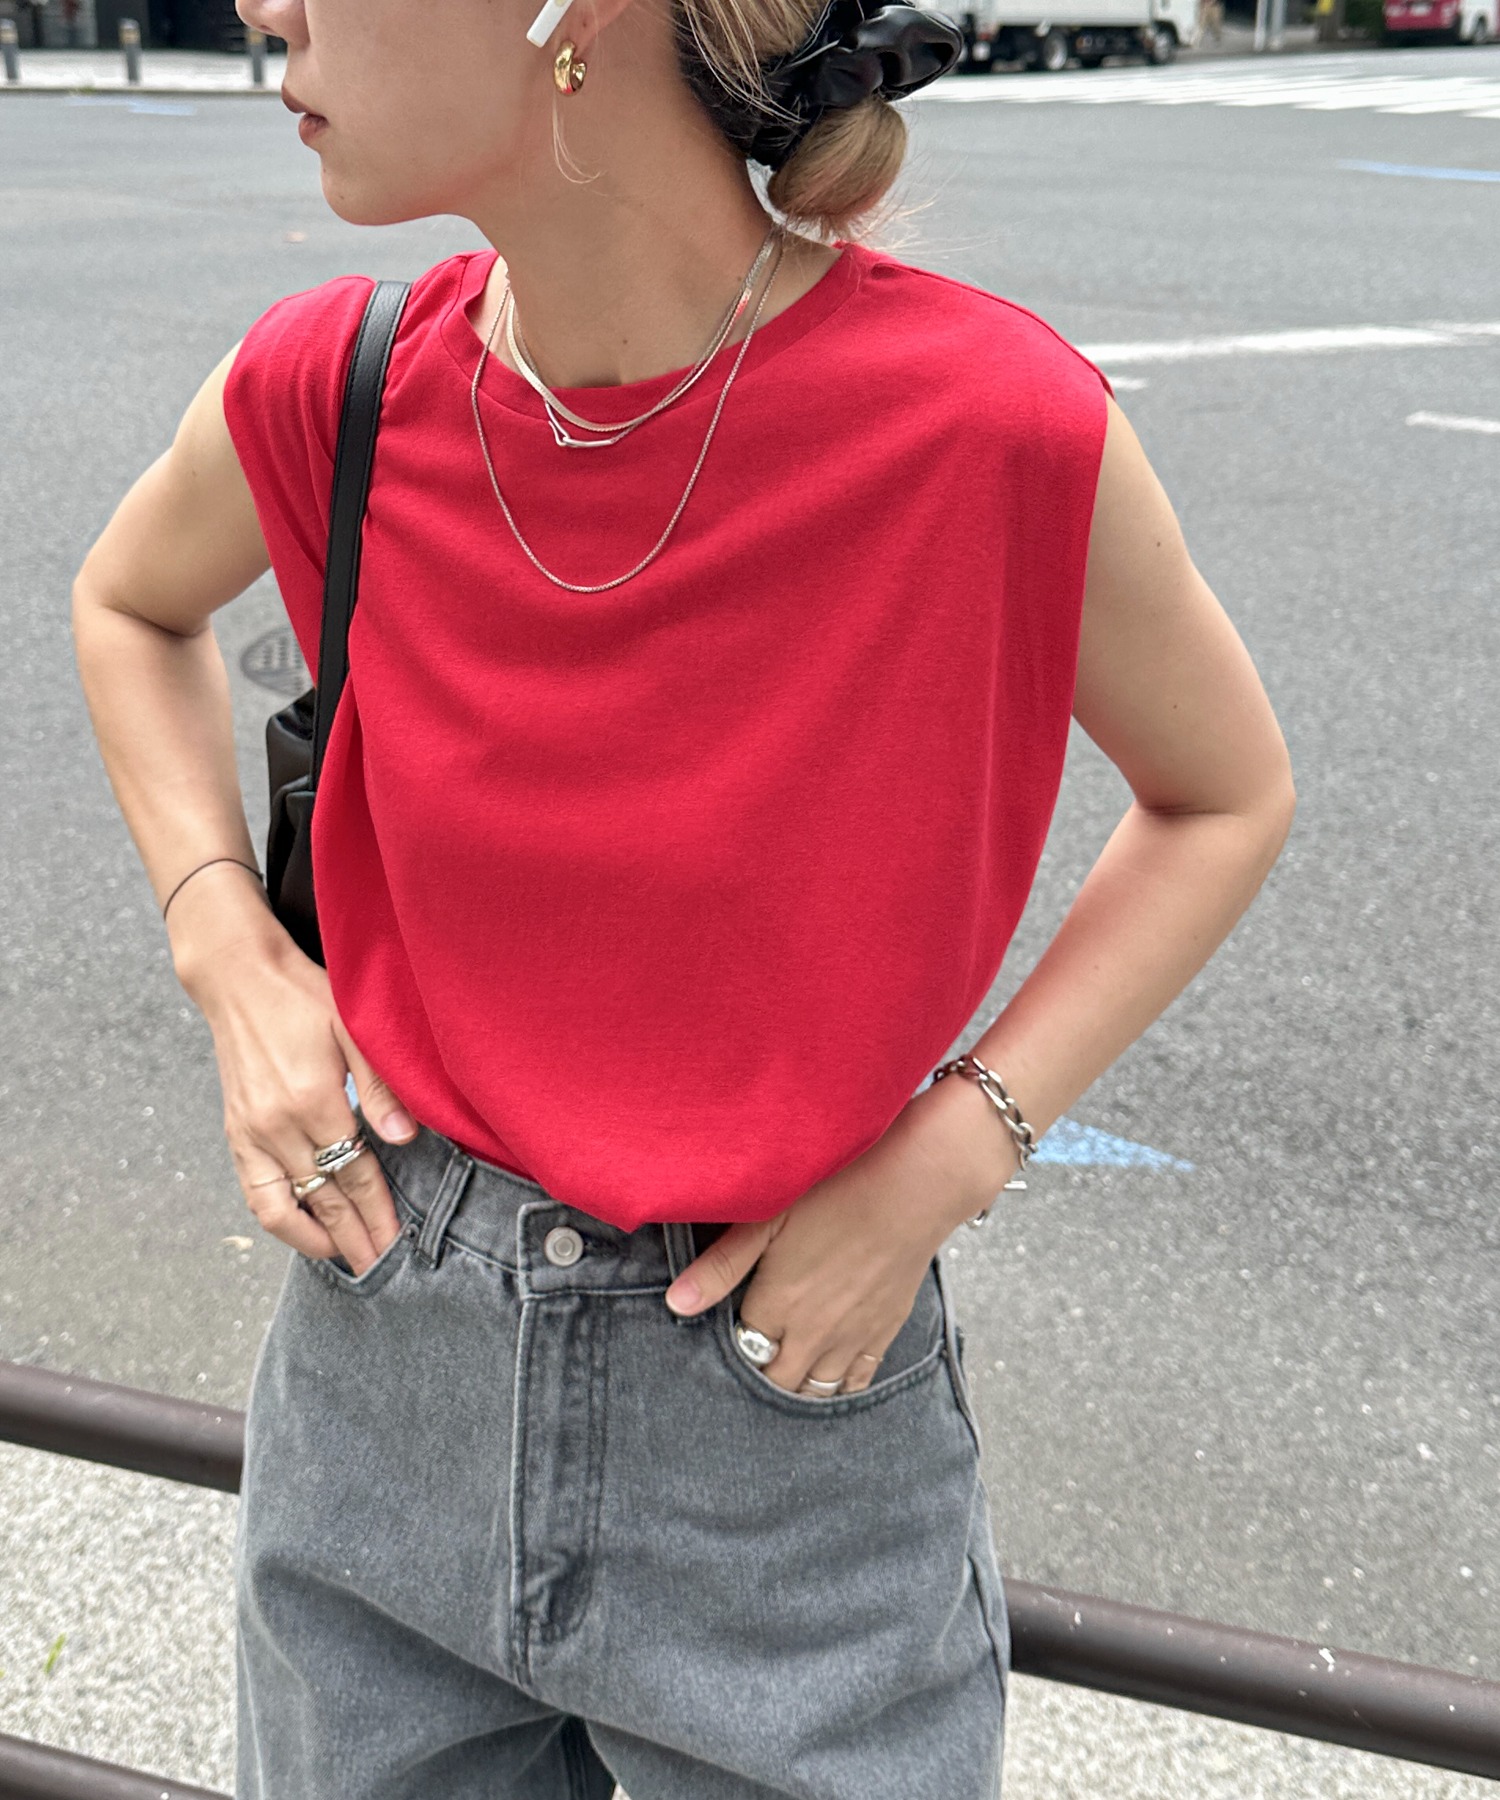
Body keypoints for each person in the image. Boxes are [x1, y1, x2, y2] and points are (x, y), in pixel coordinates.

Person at [69, 0, 1296, 1785]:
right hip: (384, 1367)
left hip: (783, 1405)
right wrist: (228, 951)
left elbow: (1227, 793)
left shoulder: (991, 424)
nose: (262, 7)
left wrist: (953, 1155)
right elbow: (127, 604)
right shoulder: (335, 387)